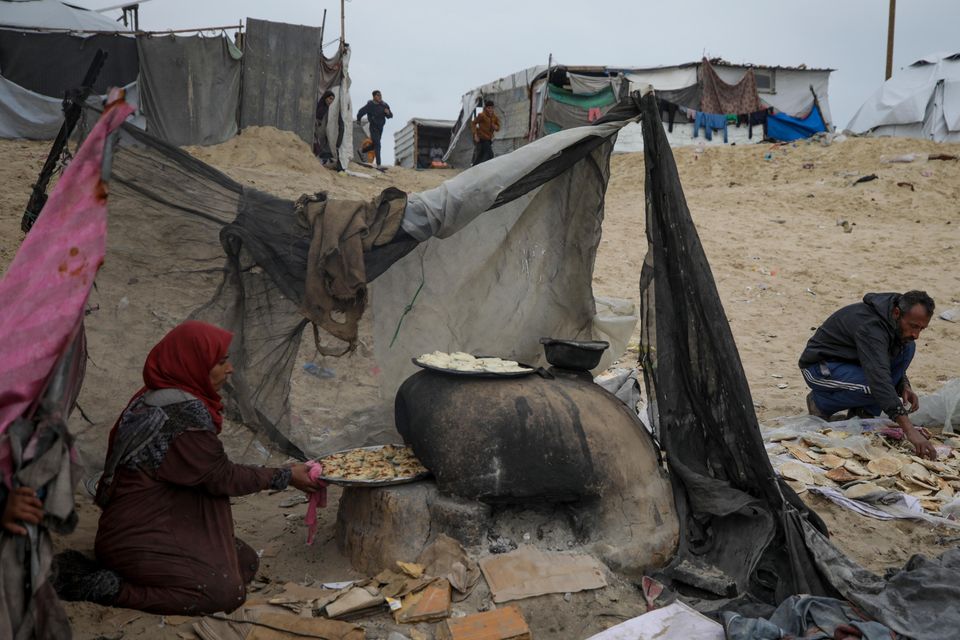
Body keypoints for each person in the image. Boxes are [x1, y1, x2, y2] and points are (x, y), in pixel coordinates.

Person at [55, 321, 322, 614]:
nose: (229, 369)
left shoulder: (161, 395)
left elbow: (208, 473)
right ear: (194, 364)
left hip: (160, 518)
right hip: (137, 535)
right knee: (224, 594)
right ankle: (109, 587)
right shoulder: (181, 414)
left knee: (244, 562)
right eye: (220, 362)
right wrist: (285, 476)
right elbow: (221, 477)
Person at [799, 291, 937, 459]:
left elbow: (886, 361)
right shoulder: (871, 327)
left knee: (908, 347)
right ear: (896, 313)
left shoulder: (894, 324)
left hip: (855, 364)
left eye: (921, 329)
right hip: (820, 368)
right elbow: (879, 380)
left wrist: (903, 385)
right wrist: (909, 430)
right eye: (914, 326)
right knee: (875, 389)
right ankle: (819, 403)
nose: (917, 334)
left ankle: (863, 411)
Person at [356, 90, 392, 167]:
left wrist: (388, 113)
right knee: (378, 145)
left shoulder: (384, 105)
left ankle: (361, 150)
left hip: (380, 128)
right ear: (374, 96)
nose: (380, 97)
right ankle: (378, 164)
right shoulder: (370, 105)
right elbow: (361, 112)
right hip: (373, 127)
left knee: (375, 145)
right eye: (378, 95)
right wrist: (358, 120)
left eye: (380, 95)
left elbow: (390, 116)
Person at [471, 100, 500, 166]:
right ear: (485, 108)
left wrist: (495, 127)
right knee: (490, 155)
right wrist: (475, 134)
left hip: (489, 139)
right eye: (488, 108)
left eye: (492, 108)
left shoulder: (494, 117)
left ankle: (474, 167)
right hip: (482, 138)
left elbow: (498, 128)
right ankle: (488, 168)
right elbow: (473, 123)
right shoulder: (481, 115)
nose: (490, 109)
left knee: (481, 154)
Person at [313, 90, 337, 164]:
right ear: (325, 97)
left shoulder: (325, 107)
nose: (331, 101)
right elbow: (316, 115)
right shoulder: (322, 105)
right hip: (313, 127)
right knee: (316, 144)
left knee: (317, 144)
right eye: (330, 98)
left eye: (332, 99)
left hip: (316, 127)